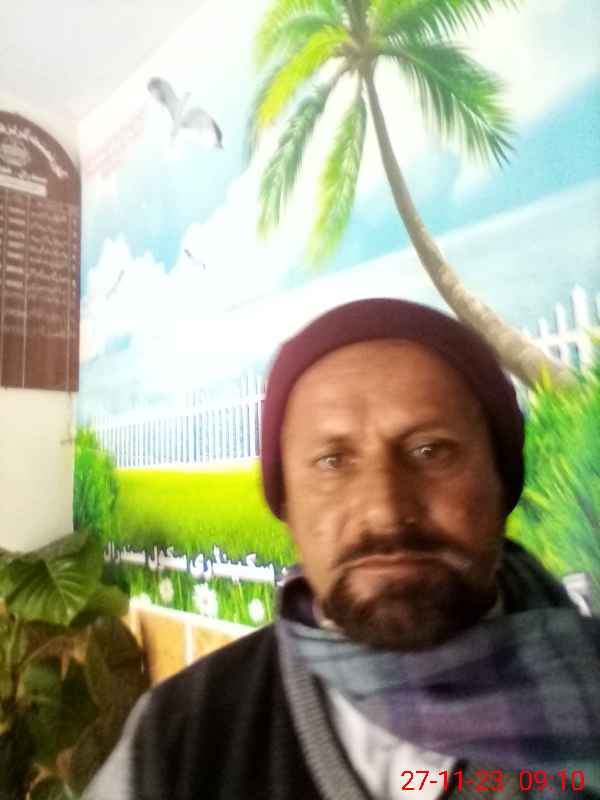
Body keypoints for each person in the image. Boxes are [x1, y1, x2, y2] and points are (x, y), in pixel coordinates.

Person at [85, 299, 600, 800]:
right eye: (333, 461)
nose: (384, 510)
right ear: (286, 504)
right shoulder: (179, 741)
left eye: (430, 451)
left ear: (501, 479)